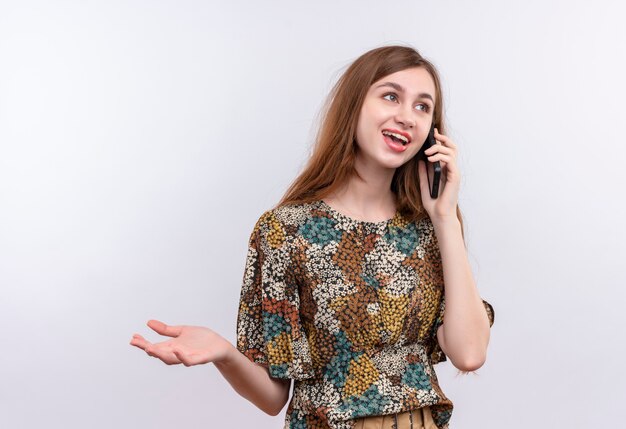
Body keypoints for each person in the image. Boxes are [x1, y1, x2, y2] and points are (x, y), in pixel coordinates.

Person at [130, 45, 495, 429]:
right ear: (353, 105)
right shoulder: (286, 231)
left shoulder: (431, 228)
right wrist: (224, 352)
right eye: (391, 96)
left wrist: (444, 219)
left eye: (423, 107)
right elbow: (273, 398)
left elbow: (469, 353)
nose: (407, 117)